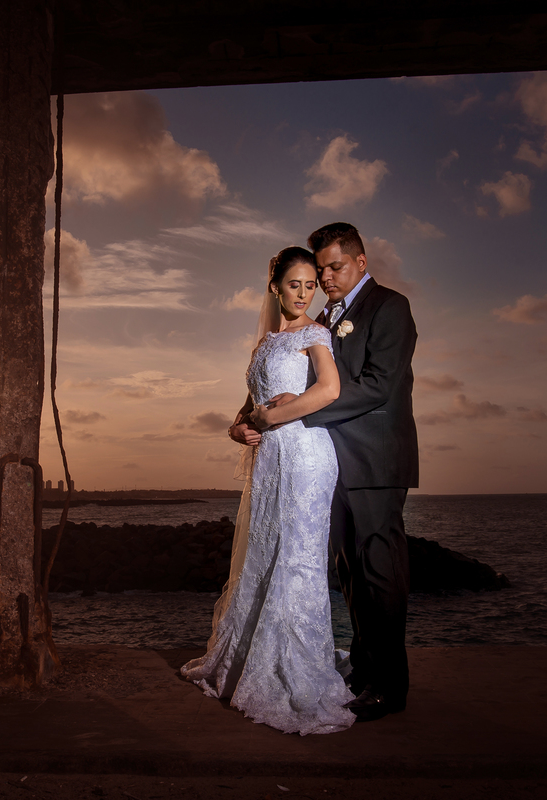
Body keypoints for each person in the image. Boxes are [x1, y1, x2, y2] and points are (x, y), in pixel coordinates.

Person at [244, 222, 419, 723]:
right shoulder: (323, 318)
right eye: (320, 270)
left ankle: (389, 686)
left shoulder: (390, 307)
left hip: (377, 461)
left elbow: (378, 385)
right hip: (331, 462)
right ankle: (363, 671)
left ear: (361, 262)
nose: (324, 279)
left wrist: (297, 408)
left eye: (334, 268)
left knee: (380, 572)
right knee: (350, 573)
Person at [181, 246, 355, 735]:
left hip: (306, 457)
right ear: (275, 287)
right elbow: (247, 410)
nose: (303, 294)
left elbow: (329, 390)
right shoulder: (265, 344)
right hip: (272, 460)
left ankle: (297, 671)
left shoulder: (315, 334)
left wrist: (271, 418)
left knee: (296, 557)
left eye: (310, 286)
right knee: (263, 553)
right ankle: (249, 658)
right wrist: (240, 429)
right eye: (294, 284)